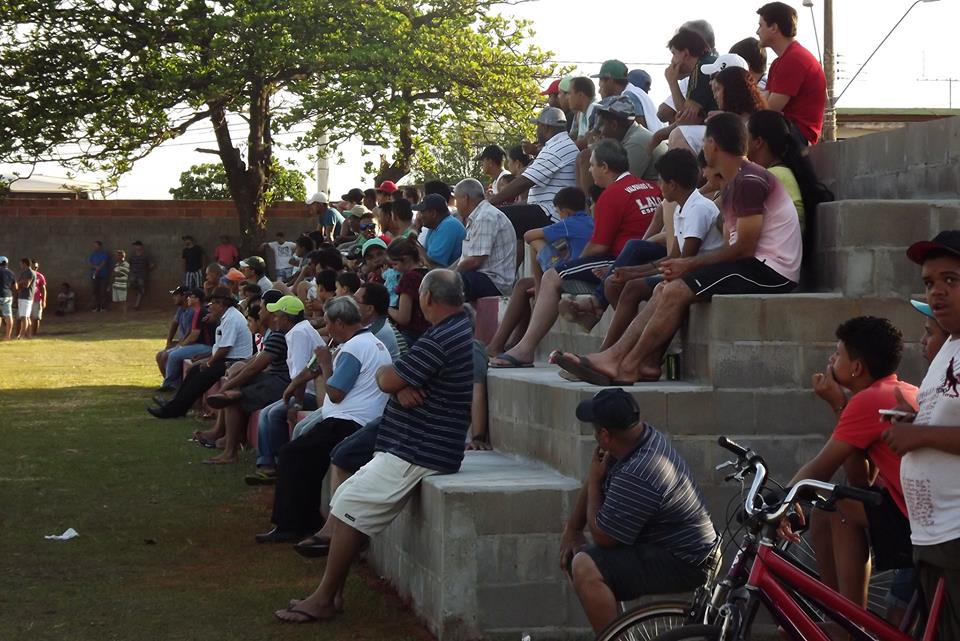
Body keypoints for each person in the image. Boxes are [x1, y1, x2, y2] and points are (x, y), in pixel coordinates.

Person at [273, 269, 473, 623]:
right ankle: (330, 596)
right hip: (416, 442)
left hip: (420, 447)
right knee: (348, 495)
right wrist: (397, 383)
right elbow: (394, 377)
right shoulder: (453, 330)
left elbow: (387, 377)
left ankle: (325, 599)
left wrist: (395, 383)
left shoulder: (439, 339)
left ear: (427, 298)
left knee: (347, 504)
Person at [552, 113, 801, 385]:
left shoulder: (749, 181)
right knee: (663, 287)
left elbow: (743, 248)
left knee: (675, 287)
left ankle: (625, 365)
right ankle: (636, 362)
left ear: (713, 145)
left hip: (770, 271)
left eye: (705, 141)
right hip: (752, 264)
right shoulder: (735, 183)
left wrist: (689, 264)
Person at [777, 317, 917, 609]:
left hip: (916, 519)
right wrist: (841, 405)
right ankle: (838, 611)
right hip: (917, 509)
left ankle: (847, 617)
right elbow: (860, 480)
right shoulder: (896, 390)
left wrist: (779, 504)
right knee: (830, 505)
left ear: (856, 367)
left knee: (836, 503)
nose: (831, 359)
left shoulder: (867, 401)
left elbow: (819, 469)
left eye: (838, 353)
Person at [490, 140, 661, 368]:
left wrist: (571, 265)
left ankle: (525, 349)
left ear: (605, 167)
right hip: (649, 258)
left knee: (553, 276)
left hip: (621, 259)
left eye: (591, 166)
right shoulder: (651, 188)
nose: (589, 171)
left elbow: (598, 247)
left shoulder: (612, 194)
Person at [560, 388, 719, 633]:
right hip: (676, 546)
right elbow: (601, 470)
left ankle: (615, 638)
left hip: (689, 561)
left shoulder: (641, 471)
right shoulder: (635, 438)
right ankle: (619, 633)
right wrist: (572, 529)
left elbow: (604, 536)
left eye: (595, 429)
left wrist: (593, 482)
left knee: (585, 568)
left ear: (605, 435)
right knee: (583, 558)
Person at [255, 295, 393, 544]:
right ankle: (307, 521)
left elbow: (336, 393)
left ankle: (290, 525)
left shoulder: (354, 348)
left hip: (350, 421)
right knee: (304, 456)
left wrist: (326, 363)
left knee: (290, 455)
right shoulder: (368, 341)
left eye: (329, 323)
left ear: (340, 322)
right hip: (356, 419)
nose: (326, 329)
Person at [881, 232, 960, 640]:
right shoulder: (947, 347)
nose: (937, 291)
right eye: (930, 283)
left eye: (952, 279)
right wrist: (914, 428)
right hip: (932, 536)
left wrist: (921, 437)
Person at [564, 148, 724, 343]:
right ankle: (616, 349)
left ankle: (610, 350)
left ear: (672, 184)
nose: (659, 186)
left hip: (699, 276)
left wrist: (634, 273)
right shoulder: (682, 207)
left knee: (631, 287)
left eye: (660, 181)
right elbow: (672, 256)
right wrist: (628, 271)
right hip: (686, 271)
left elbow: (683, 263)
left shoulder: (698, 209)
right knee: (616, 283)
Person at [486, 187, 594, 359]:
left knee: (536, 242)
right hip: (577, 268)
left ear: (564, 211)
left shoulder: (568, 223)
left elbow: (529, 235)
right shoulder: (590, 221)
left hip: (570, 274)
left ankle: (497, 345)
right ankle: (511, 343)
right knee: (522, 286)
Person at [203, 295, 303, 464]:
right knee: (235, 377)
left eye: (264, 307)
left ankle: (230, 452)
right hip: (278, 379)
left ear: (284, 317)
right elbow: (256, 361)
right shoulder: (284, 332)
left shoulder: (280, 335)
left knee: (233, 398)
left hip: (282, 383)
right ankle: (226, 435)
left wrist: (229, 385)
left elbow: (256, 366)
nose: (261, 310)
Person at [247, 295, 326, 483]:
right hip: (308, 390)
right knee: (267, 413)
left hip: (311, 393)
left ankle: (278, 465)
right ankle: (268, 463)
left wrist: (297, 405)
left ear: (286, 318)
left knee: (273, 413)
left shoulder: (297, 333)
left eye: (277, 315)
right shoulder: (299, 329)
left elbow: (299, 375)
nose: (273, 318)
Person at [148, 286, 254, 418]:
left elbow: (225, 348)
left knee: (199, 377)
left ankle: (173, 410)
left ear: (221, 304)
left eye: (213, 303)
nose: (210, 306)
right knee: (194, 371)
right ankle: (175, 406)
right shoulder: (228, 316)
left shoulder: (231, 319)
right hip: (227, 359)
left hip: (233, 361)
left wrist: (209, 362)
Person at [490, 107, 579, 241]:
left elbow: (524, 182)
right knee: (507, 222)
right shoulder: (556, 144)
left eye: (538, 126)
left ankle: (474, 260)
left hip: (552, 213)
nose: (536, 130)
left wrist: (490, 202)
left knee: (490, 217)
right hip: (546, 209)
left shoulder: (559, 146)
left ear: (546, 127)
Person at [747, 109, 832, 231]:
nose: (741, 140)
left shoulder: (772, 176)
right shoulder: (779, 173)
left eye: (745, 135)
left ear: (758, 142)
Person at [756, 1, 826, 145]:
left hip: (798, 136)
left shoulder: (794, 59)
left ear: (774, 28)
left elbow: (769, 110)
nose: (757, 31)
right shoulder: (780, 61)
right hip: (789, 131)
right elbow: (764, 100)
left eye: (760, 25)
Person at [453, 178, 517, 302]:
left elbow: (475, 261)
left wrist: (450, 276)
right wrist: (443, 273)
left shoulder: (485, 217)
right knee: (438, 280)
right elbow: (465, 258)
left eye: (456, 199)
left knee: (447, 288)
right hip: (481, 277)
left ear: (465, 199)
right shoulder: (478, 216)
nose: (456, 205)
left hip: (494, 282)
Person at [663, 25, 719, 125]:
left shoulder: (701, 68)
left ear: (685, 54)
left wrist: (672, 82)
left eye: (674, 53)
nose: (672, 60)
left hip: (724, 128)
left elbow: (688, 120)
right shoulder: (708, 61)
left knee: (678, 135)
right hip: (729, 123)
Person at [159, 288, 213, 391]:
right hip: (199, 345)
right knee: (170, 354)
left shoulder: (201, 311)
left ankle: (170, 384)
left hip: (207, 346)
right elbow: (190, 332)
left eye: (191, 297)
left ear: (197, 299)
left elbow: (194, 335)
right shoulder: (196, 311)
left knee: (173, 355)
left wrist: (181, 346)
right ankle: (171, 383)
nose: (188, 299)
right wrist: (180, 344)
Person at [386, 238, 430, 346]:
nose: (394, 269)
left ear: (405, 259)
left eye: (395, 264)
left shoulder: (409, 278)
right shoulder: (426, 273)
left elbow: (403, 317)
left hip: (412, 335)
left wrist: (386, 307)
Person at [355, 283, 406, 361]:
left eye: (355, 301)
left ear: (369, 309)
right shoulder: (376, 324)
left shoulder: (376, 333)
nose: (350, 304)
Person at [414, 193, 465, 268]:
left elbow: (433, 265)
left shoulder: (449, 225)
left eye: (422, 212)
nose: (419, 216)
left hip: (450, 277)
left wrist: (414, 243)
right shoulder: (435, 225)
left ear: (433, 213)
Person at [567, 77, 599, 148]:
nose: (567, 97)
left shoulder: (596, 110)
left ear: (581, 95)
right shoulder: (581, 113)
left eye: (569, 93)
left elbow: (585, 143)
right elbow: (580, 139)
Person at [128, 241, 153, 310]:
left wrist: (146, 270)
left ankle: (137, 304)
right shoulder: (132, 255)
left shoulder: (145, 255)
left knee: (140, 289)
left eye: (137, 245)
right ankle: (134, 300)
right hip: (134, 274)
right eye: (135, 246)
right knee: (131, 285)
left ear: (141, 246)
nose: (136, 247)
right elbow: (129, 263)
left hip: (142, 275)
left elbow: (151, 265)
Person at [15, 258, 36, 339]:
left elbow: (26, 284)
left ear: (25, 263)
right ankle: (29, 335)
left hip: (26, 297)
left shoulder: (30, 272)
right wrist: (19, 284)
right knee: (26, 317)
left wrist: (18, 283)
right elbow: (19, 284)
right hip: (21, 296)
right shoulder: (23, 273)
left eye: (21, 263)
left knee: (24, 317)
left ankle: (21, 335)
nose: (20, 265)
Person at [89, 240, 110, 312]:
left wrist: (98, 268)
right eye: (94, 246)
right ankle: (95, 307)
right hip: (94, 274)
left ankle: (103, 307)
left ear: (100, 246)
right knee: (94, 291)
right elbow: (90, 263)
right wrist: (95, 268)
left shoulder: (104, 254)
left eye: (96, 246)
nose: (95, 247)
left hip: (103, 275)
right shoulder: (92, 255)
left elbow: (104, 262)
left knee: (103, 291)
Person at [30, 260, 47, 336]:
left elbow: (43, 289)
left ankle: (34, 334)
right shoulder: (26, 275)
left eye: (36, 267)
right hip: (27, 299)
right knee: (26, 317)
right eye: (34, 266)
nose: (35, 268)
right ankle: (27, 333)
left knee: (36, 317)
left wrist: (44, 300)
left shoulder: (40, 276)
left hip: (37, 299)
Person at [111, 250, 131, 314]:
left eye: (119, 255)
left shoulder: (126, 264)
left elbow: (122, 274)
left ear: (122, 256)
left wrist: (115, 274)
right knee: (118, 300)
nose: (117, 257)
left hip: (123, 284)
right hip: (116, 284)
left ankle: (125, 313)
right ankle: (121, 313)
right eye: (117, 255)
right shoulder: (116, 265)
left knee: (123, 300)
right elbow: (113, 274)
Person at [0, 257, 14, 340]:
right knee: (8, 316)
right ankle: (7, 336)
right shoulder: (11, 272)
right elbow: (15, 286)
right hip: (8, 296)